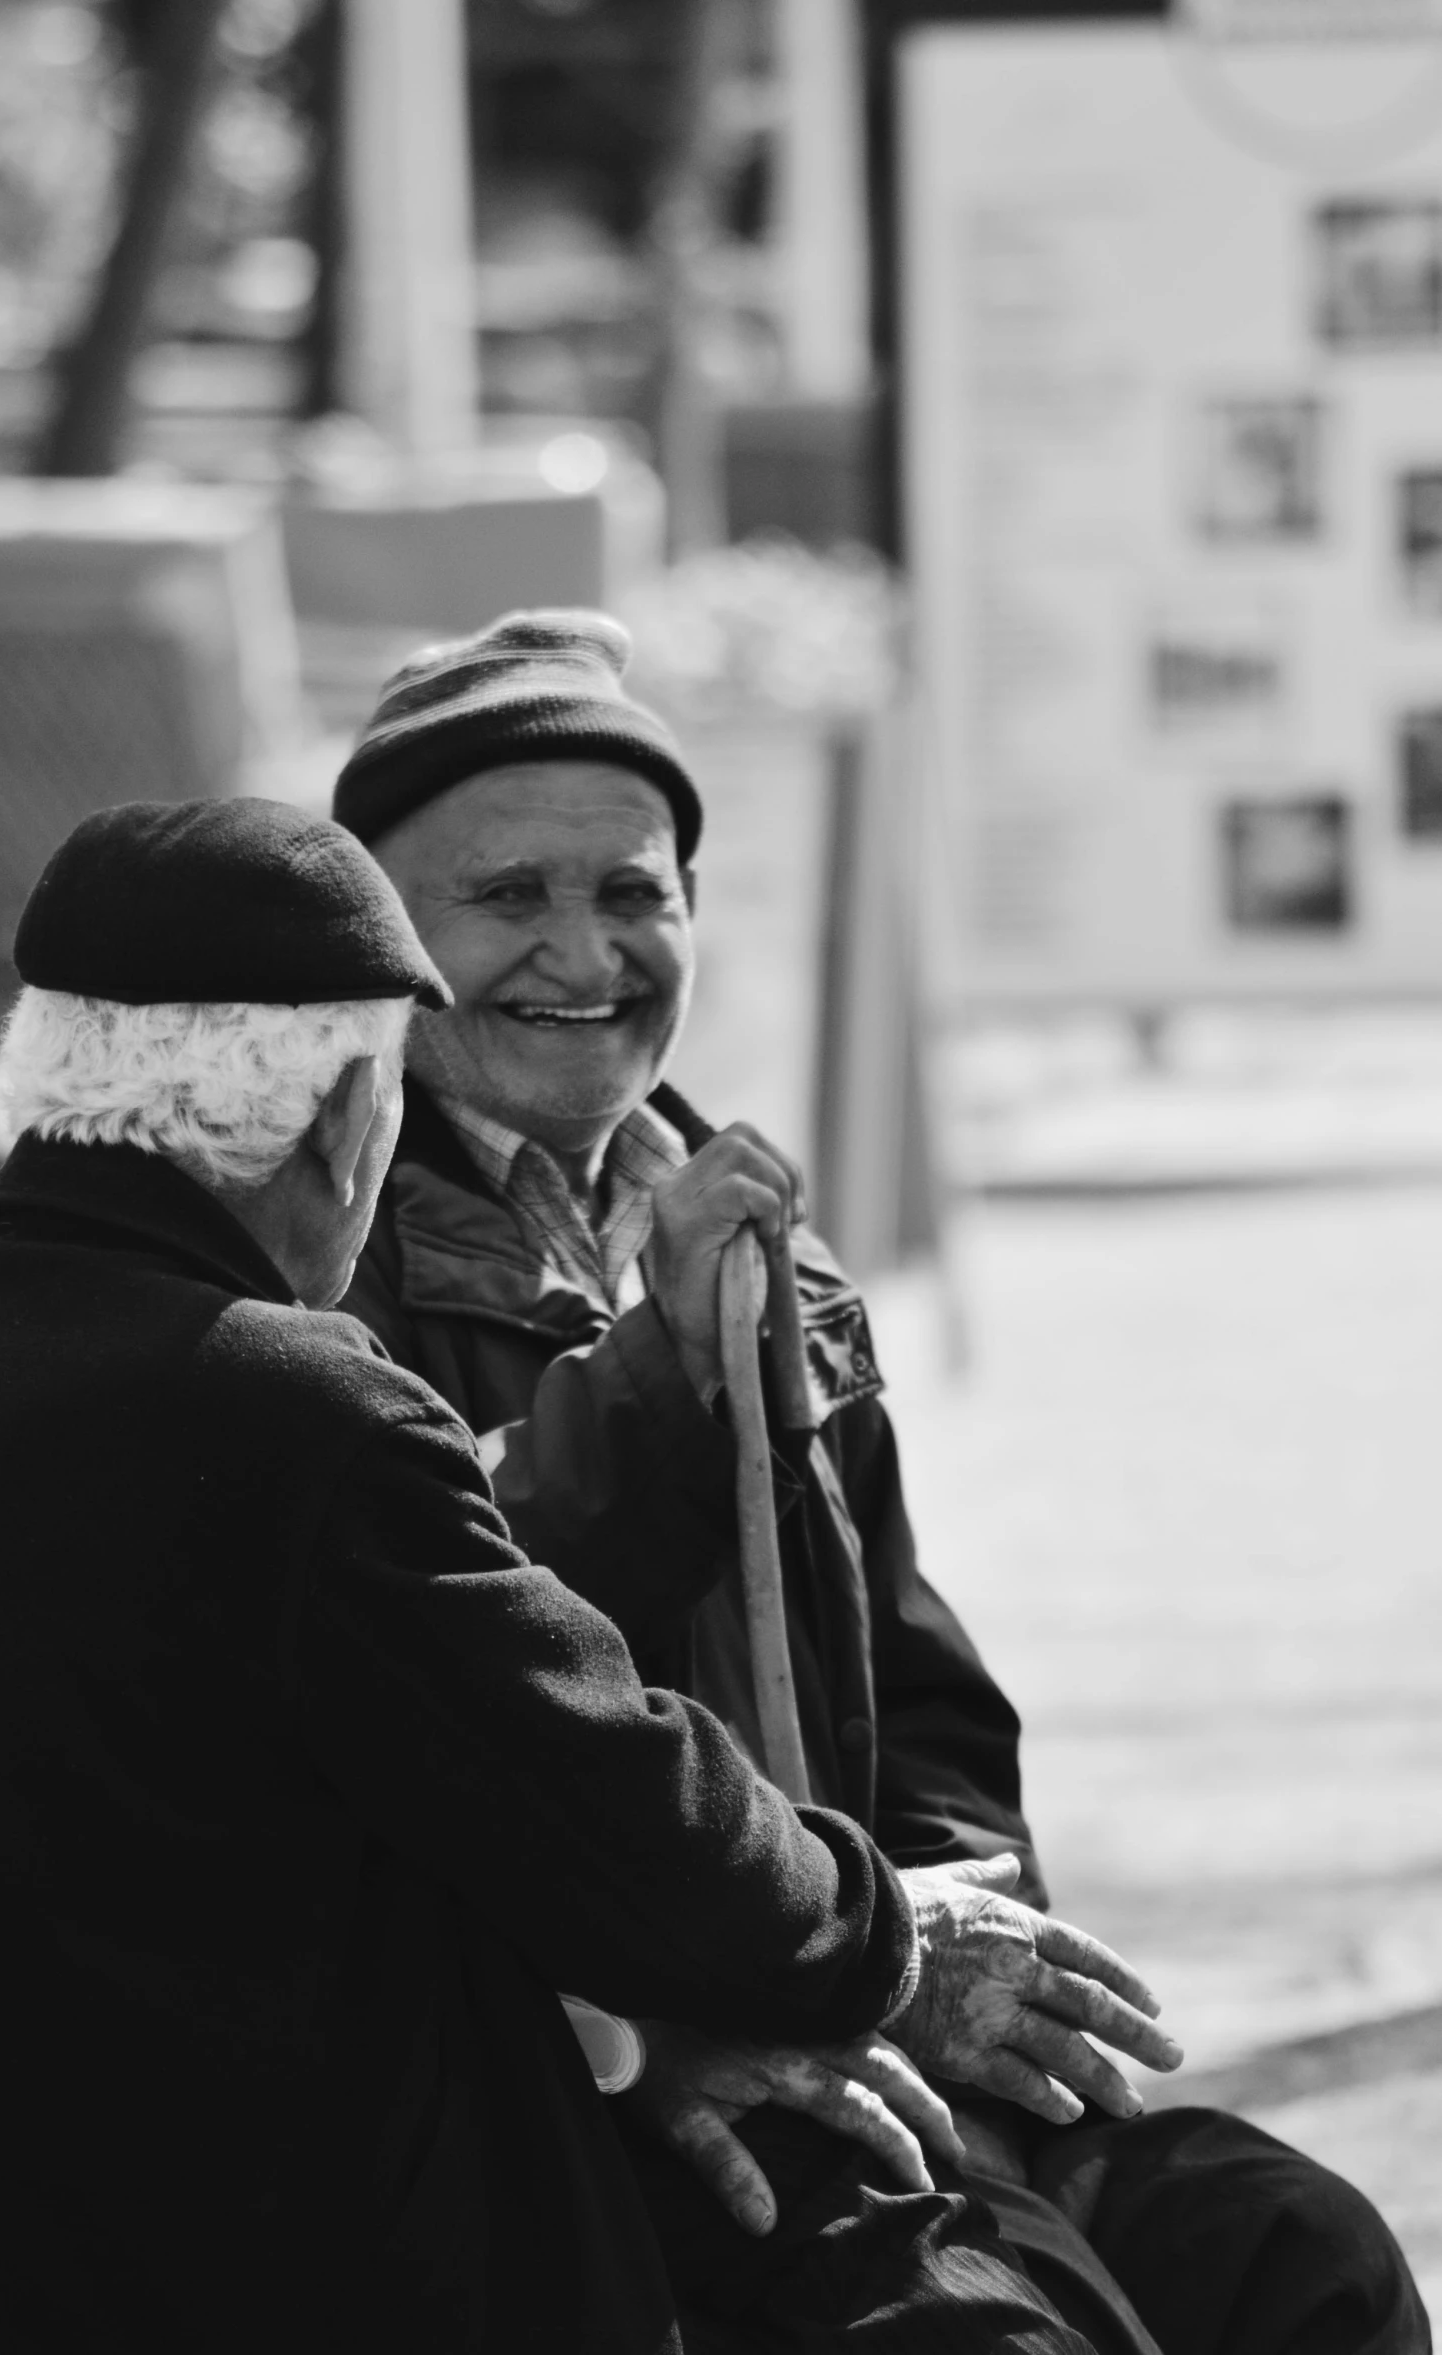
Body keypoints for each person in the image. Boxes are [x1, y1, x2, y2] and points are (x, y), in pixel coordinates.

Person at [0, 797, 1185, 2355]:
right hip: (297, 2268)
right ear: (347, 1110)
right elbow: (612, 1805)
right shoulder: (304, 1413)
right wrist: (882, 1935)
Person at [331, 610, 1428, 2355]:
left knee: (1299, 2255)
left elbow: (917, 1706)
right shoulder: (329, 1282)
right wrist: (697, 2008)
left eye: (634, 893)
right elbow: (473, 1682)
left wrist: (965, 1961)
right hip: (593, 2059)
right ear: (385, 948)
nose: (583, 950)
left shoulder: (769, 1255)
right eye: (509, 896)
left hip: (865, 1993)